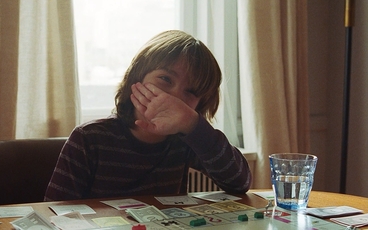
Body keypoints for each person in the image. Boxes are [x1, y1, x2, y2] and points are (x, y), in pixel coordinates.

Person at [44, 30, 251, 201]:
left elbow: (240, 182)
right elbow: (54, 211)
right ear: (137, 78)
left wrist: (193, 124)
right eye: (165, 79)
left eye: (191, 92)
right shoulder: (89, 138)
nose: (174, 97)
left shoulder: (184, 139)